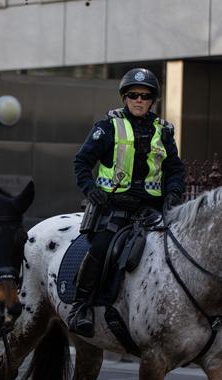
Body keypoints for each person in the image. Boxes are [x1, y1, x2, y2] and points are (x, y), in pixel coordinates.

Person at [69, 68, 185, 338]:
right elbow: (81, 162)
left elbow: (175, 169)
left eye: (145, 96)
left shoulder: (163, 132)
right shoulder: (107, 127)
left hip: (152, 210)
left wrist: (173, 193)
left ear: (152, 100)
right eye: (133, 95)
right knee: (100, 247)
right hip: (114, 208)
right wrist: (91, 189)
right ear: (124, 97)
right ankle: (81, 306)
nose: (139, 100)